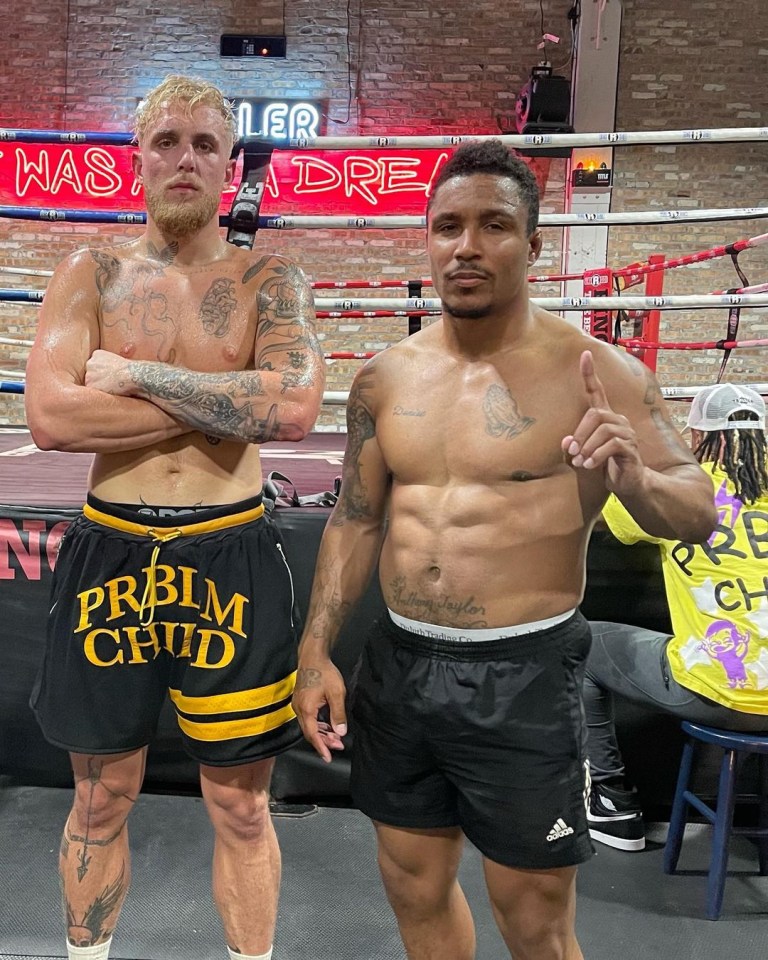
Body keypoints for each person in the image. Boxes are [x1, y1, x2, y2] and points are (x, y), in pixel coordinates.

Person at [292, 139, 717, 960]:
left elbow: (697, 514)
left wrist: (631, 475)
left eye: (493, 226)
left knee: (534, 921)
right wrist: (315, 649)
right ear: (427, 239)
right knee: (414, 888)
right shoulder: (387, 377)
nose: (467, 246)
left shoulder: (602, 372)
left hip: (525, 673)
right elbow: (353, 517)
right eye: (447, 226)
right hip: (402, 666)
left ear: (532, 243)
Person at [24, 74, 325, 960]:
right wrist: (232, 401)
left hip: (229, 551)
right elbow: (52, 418)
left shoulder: (272, 277)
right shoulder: (93, 272)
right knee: (99, 798)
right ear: (140, 159)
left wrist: (141, 374)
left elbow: (297, 410)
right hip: (109, 553)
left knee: (240, 803)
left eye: (204, 144)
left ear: (230, 165)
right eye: (168, 142)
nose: (185, 158)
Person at [584, 382, 768, 852]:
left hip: (716, 688)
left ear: (696, 435)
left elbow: (609, 522)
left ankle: (612, 801)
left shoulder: (684, 491)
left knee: (577, 645)